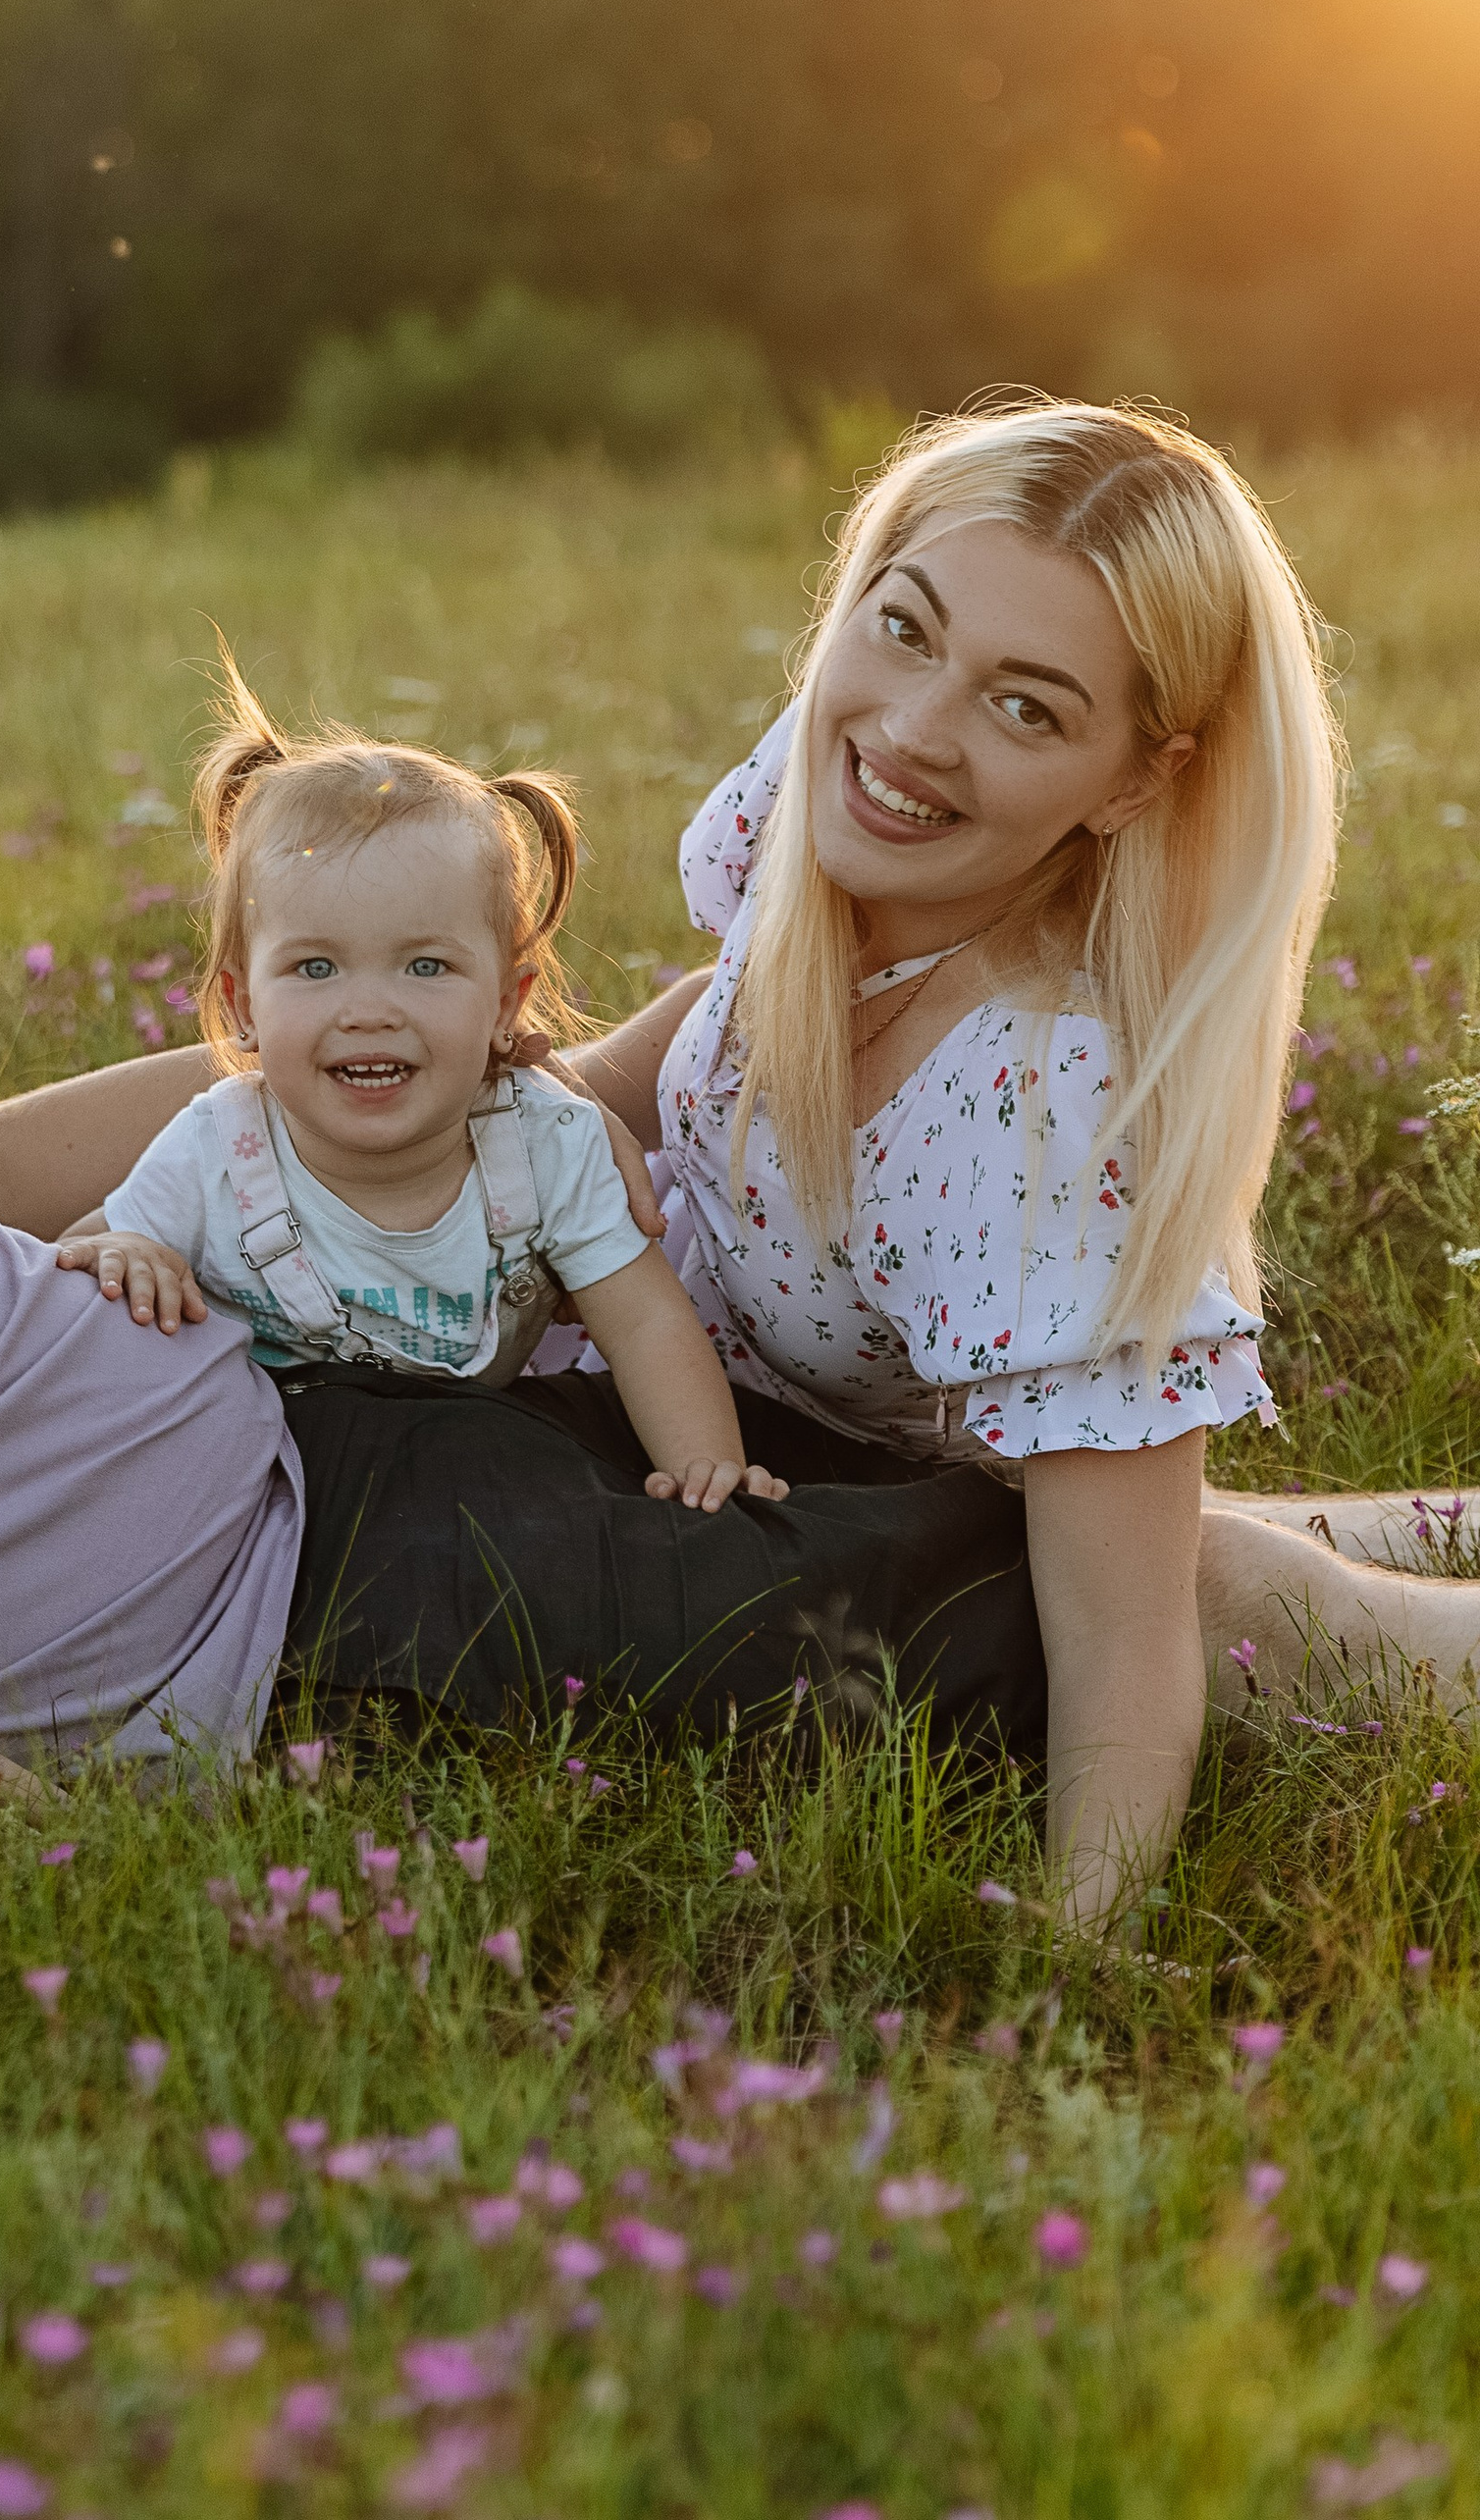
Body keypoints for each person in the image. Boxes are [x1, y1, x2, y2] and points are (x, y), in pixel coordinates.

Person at [0, 500, 1480, 1927]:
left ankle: (1381, 1531)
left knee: (1004, 1494)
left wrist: (420, 1108)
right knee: (1049, 1611)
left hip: (335, 1398)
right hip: (325, 1618)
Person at [560, 396, 1469, 1923]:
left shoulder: (1032, 1100)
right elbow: (712, 1015)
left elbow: (1119, 1638)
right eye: (906, 627)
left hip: (971, 1512)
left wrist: (1076, 1943)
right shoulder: (853, 783)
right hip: (817, 1435)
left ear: (1131, 780)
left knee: (1215, 1589)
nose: (917, 728)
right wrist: (547, 1113)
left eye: (1028, 707)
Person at [58, 665, 787, 1513]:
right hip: (261, 1477)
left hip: (467, 1469)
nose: (370, 1010)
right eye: (317, 966)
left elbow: (646, 1323)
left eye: (427, 965)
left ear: (507, 1004)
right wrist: (117, 1253)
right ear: (243, 1004)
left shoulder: (547, 1143)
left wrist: (707, 1465)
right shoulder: (221, 1150)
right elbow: (68, 1262)